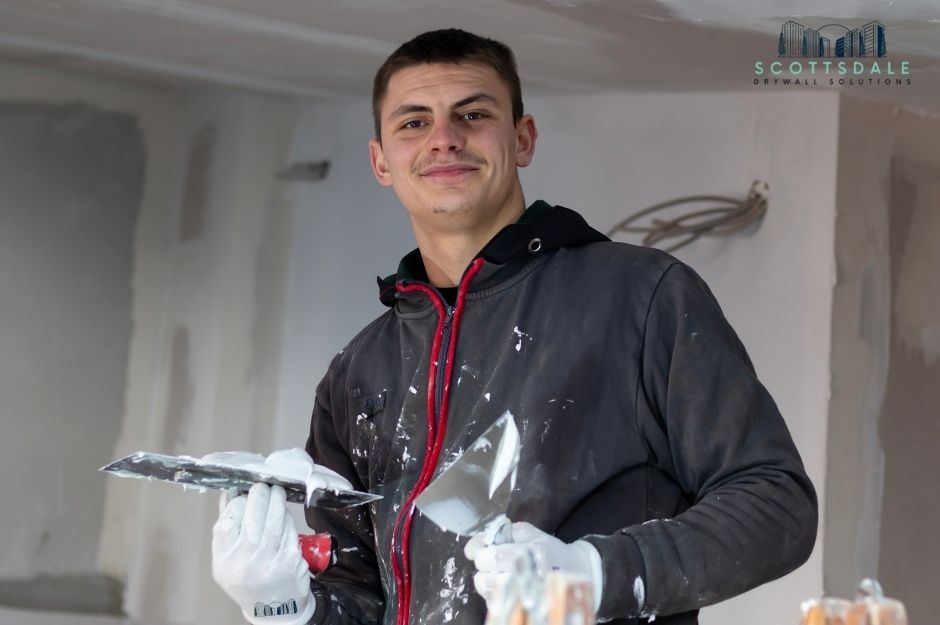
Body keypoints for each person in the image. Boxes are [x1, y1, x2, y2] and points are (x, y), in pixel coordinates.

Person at [211, 28, 818, 625]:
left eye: (472, 114)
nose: (444, 139)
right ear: (382, 161)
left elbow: (776, 505)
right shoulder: (359, 371)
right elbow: (359, 596)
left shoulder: (639, 297)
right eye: (413, 122)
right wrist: (286, 607)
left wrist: (597, 574)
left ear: (523, 139)